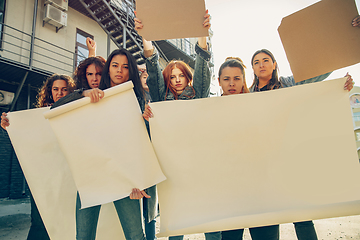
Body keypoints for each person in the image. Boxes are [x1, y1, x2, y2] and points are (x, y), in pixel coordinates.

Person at [249, 49, 353, 240]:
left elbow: (316, 73)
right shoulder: (247, 94)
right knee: (267, 217)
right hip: (263, 163)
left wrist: (340, 85)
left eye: (265, 60)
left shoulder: (288, 84)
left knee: (302, 216)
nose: (261, 64)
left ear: (274, 64)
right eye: (256, 62)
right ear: (252, 68)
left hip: (290, 158)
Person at [137, 9, 221, 240]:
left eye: (180, 76)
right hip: (170, 166)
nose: (176, 80)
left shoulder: (198, 94)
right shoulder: (159, 97)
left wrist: (202, 34)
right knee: (175, 216)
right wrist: (145, 34)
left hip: (198, 162)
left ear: (187, 77)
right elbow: (152, 65)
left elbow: (203, 64)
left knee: (209, 213)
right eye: (171, 77)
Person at [52, 48, 152, 240]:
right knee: (83, 236)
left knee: (136, 236)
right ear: (108, 69)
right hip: (91, 174)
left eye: (125, 66)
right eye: (114, 65)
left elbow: (142, 144)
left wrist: (140, 179)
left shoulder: (139, 100)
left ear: (131, 71)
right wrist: (84, 94)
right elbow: (56, 106)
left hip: (126, 177)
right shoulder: (95, 94)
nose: (119, 71)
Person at [1, 74, 76, 240]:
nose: (60, 93)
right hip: (43, 179)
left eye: (64, 89)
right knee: (40, 221)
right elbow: (27, 138)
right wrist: (10, 126)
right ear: (50, 91)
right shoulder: (38, 115)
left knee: (64, 221)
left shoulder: (75, 112)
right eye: (56, 89)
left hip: (67, 177)